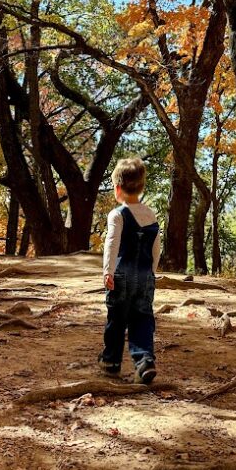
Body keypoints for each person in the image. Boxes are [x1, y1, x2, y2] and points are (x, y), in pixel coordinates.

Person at [98, 156, 161, 384]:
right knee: (142, 318)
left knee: (116, 318)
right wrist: (151, 271)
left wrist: (108, 271)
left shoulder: (117, 214)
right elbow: (156, 248)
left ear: (117, 188)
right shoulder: (151, 215)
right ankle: (144, 361)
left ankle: (111, 361)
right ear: (141, 187)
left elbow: (112, 243)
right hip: (145, 277)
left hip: (121, 275)